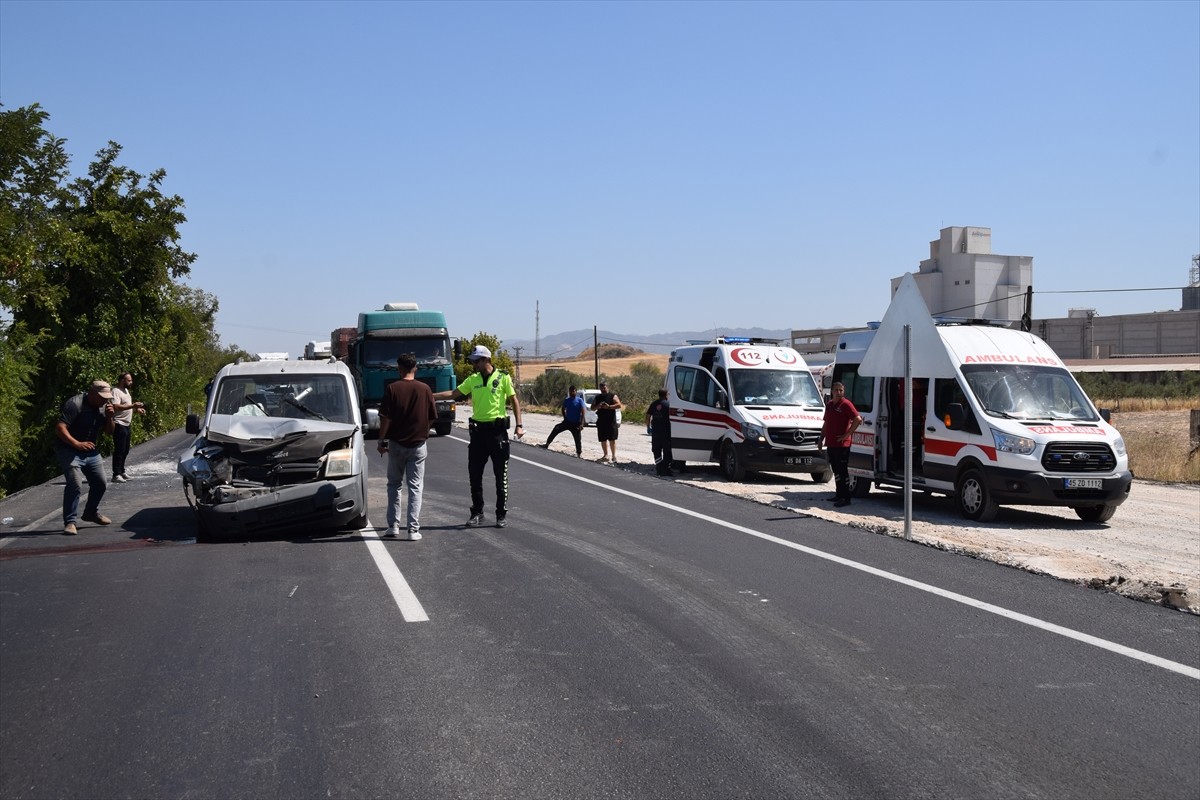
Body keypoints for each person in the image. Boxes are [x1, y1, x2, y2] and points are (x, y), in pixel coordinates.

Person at [433, 345, 524, 528]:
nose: (473, 364)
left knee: (501, 477)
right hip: (478, 434)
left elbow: (513, 399)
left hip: (497, 434)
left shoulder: (503, 377)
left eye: (475, 361)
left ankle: (500, 514)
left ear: (485, 360)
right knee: (475, 475)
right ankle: (477, 512)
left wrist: (519, 425)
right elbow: (454, 394)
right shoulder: (472, 379)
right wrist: (429, 395)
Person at [377, 353, 439, 541]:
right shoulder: (425, 389)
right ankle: (413, 530)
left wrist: (381, 440)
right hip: (418, 444)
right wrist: (424, 431)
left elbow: (385, 418)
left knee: (394, 485)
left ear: (400, 368)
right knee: (415, 487)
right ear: (415, 368)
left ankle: (393, 526)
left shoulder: (392, 389)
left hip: (396, 444)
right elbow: (432, 416)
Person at [53, 380, 117, 535]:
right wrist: (77, 444)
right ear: (92, 393)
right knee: (75, 483)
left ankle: (90, 513)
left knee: (100, 482)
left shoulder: (103, 408)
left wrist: (110, 417)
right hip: (69, 448)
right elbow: (60, 428)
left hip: (90, 450)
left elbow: (109, 431)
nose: (104, 400)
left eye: (107, 397)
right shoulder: (75, 404)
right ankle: (70, 522)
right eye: (102, 397)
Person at [818, 381, 862, 508]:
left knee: (843, 472)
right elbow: (826, 423)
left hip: (842, 445)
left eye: (840, 390)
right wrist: (821, 439)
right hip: (831, 443)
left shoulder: (846, 404)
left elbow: (858, 419)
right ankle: (838, 494)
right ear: (832, 391)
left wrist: (846, 435)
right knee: (835, 470)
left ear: (843, 391)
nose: (838, 392)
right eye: (836, 390)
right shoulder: (830, 404)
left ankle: (846, 497)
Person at [109, 371, 146, 482]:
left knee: (125, 450)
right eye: (128, 380)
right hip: (119, 423)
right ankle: (116, 474)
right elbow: (116, 406)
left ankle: (122, 471)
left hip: (127, 424)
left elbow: (127, 407)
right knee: (119, 450)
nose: (131, 382)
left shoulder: (126, 391)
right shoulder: (116, 391)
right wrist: (133, 405)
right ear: (122, 381)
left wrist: (136, 410)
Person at [539, 385, 586, 456]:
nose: (572, 392)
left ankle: (579, 453)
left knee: (577, 439)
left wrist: (581, 424)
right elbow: (563, 409)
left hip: (576, 423)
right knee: (556, 428)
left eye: (573, 391)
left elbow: (583, 412)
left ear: (576, 392)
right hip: (567, 422)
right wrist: (565, 417)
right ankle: (547, 444)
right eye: (570, 391)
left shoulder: (579, 400)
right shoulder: (567, 400)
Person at [591, 381, 623, 462]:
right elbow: (592, 408)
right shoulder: (598, 397)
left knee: (612, 439)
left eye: (604, 387)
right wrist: (598, 406)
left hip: (611, 421)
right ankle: (605, 455)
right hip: (601, 421)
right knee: (603, 439)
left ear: (607, 387)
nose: (603, 389)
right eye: (601, 388)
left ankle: (614, 456)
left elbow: (619, 405)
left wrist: (609, 407)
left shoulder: (613, 396)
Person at [645, 388, 674, 476]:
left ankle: (659, 467)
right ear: (666, 395)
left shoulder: (654, 404)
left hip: (656, 431)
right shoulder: (668, 404)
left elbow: (648, 416)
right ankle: (666, 469)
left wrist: (648, 426)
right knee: (667, 451)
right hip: (666, 431)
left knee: (656, 450)